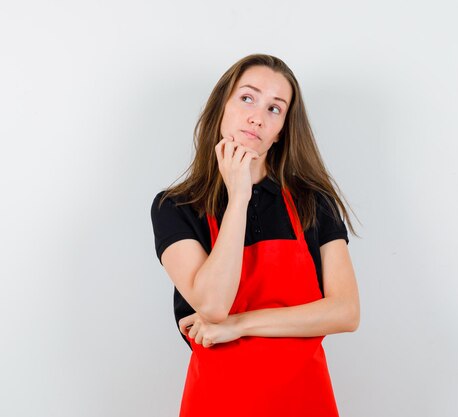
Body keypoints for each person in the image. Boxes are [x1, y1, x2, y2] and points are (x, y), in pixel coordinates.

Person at [150, 53, 360, 417]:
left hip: (304, 402)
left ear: (281, 132)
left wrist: (239, 324)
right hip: (218, 403)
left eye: (274, 109)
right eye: (247, 98)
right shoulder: (176, 206)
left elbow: (345, 311)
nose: (257, 116)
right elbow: (213, 305)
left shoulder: (313, 202)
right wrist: (239, 196)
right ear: (222, 106)